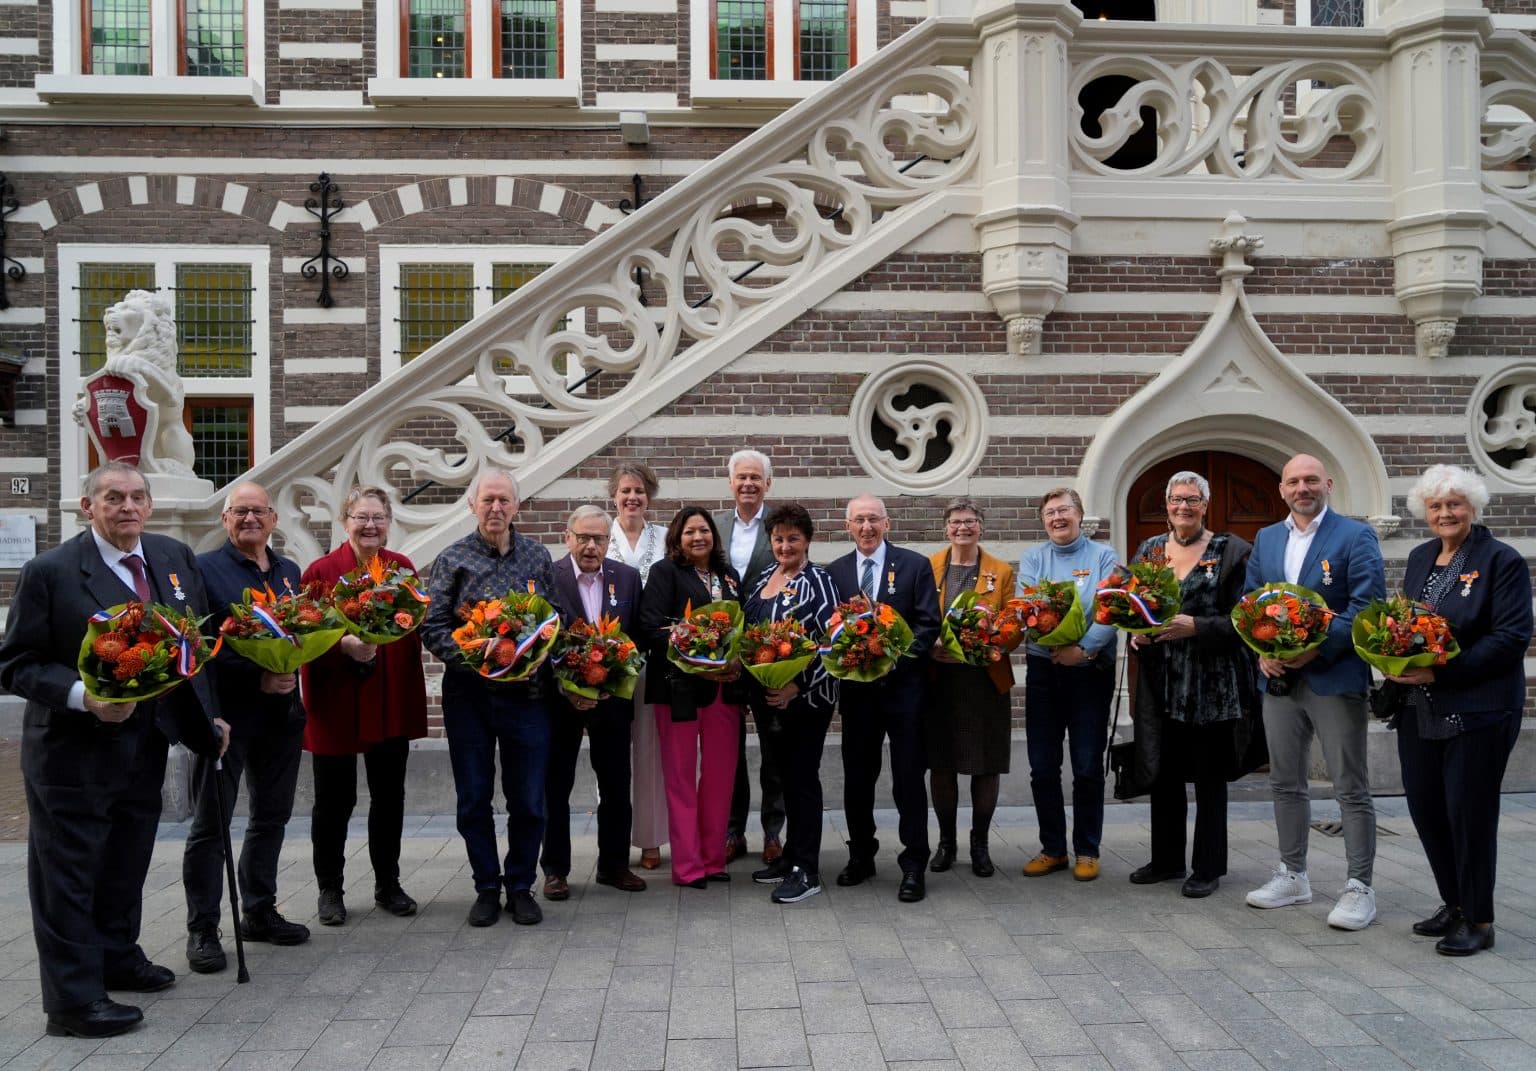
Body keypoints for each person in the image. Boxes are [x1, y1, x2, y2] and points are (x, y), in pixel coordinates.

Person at [0, 462, 222, 1039]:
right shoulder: (50, 572)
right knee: (68, 876)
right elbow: (15, 664)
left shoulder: (172, 558)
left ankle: (118, 956)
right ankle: (73, 1004)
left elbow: (189, 646)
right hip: (71, 753)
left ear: (148, 506)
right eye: (113, 497)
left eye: (136, 497)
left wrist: (208, 718)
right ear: (87, 506)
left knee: (126, 862)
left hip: (144, 746)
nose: (127, 506)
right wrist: (83, 696)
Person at [1386, 465, 1532, 956]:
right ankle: (1454, 901)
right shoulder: (1421, 556)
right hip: (1419, 707)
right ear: (1424, 513)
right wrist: (1390, 656)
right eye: (1436, 506)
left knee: (1468, 813)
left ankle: (1480, 919)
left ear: (1473, 507)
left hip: (1478, 709)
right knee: (1427, 809)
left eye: (1454, 504)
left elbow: (1511, 638)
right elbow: (1407, 624)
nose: (1445, 513)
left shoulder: (1501, 560)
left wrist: (1439, 673)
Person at [1243, 453, 1385, 930]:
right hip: (1279, 678)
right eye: (1292, 482)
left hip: (1333, 676)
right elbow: (1250, 603)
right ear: (1281, 489)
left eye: (1310, 480)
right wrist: (1259, 651)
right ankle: (1294, 875)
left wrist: (1315, 650)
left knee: (1349, 786)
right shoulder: (1266, 537)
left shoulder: (1355, 535)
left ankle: (1360, 886)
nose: (1302, 488)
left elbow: (1367, 606)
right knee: (1285, 781)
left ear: (1327, 483)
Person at [422, 469, 561, 928]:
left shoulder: (539, 558)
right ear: (472, 506)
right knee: (474, 797)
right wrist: (476, 660)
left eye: (504, 500)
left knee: (528, 798)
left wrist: (540, 655)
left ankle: (520, 886)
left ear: (517, 506)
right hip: (471, 700)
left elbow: (554, 623)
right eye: (488, 500)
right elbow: (434, 626)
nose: (496, 508)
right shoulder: (453, 558)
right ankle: (486, 886)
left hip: (528, 697)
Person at [183, 482, 310, 976]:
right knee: (210, 824)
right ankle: (204, 928)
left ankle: (258, 910)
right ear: (225, 519)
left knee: (270, 818)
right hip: (229, 719)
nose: (250, 519)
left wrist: (291, 665)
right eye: (240, 511)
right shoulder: (204, 571)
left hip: (282, 717)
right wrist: (255, 673)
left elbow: (299, 633)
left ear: (274, 519)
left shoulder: (288, 572)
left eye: (258, 511)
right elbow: (199, 647)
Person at [1125, 472, 1259, 898]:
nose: (1184, 507)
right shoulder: (1149, 550)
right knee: (1163, 773)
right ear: (1166, 505)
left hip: (1212, 685)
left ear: (1206, 504)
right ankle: (1166, 860)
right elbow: (1135, 604)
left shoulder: (1233, 551)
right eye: (1176, 499)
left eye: (1193, 500)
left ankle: (1207, 867)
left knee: (1208, 778)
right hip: (1161, 680)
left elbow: (1247, 619)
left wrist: (1198, 626)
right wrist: (1135, 630)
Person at [301, 485, 428, 927]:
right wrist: (343, 644)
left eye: (377, 517)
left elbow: (412, 624)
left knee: (389, 797)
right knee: (334, 801)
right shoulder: (320, 571)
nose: (370, 525)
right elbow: (305, 632)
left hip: (386, 695)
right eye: (361, 517)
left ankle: (387, 884)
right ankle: (329, 889)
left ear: (389, 523)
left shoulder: (402, 568)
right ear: (345, 521)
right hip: (337, 697)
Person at [827, 494, 942, 902]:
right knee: (858, 779)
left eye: (874, 519)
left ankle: (914, 864)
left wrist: (897, 658)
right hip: (857, 695)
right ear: (848, 527)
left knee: (909, 778)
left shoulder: (914, 566)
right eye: (859, 520)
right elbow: (829, 633)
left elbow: (929, 624)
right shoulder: (835, 572)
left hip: (905, 692)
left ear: (887, 523)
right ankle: (861, 855)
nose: (867, 527)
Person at [542, 505, 648, 900]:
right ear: (567, 536)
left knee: (617, 784)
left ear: (609, 541)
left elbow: (635, 641)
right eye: (583, 537)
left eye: (599, 538)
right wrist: (565, 684)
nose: (590, 546)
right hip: (559, 702)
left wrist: (612, 681)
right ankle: (555, 870)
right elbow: (539, 639)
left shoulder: (628, 578)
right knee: (556, 785)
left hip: (612, 702)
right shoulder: (547, 578)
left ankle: (614, 866)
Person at [636, 507, 745, 888]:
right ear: (677, 539)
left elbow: (743, 626)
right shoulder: (666, 573)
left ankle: (714, 859)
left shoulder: (729, 576)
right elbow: (650, 626)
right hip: (679, 690)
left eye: (704, 530)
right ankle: (687, 866)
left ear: (714, 535)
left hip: (723, 690)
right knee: (681, 778)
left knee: (719, 778)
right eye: (689, 532)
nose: (698, 537)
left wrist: (734, 659)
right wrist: (693, 646)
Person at [1016, 487, 1119, 882]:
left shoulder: (1103, 556)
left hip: (1089, 673)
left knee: (1088, 765)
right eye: (1050, 513)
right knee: (1043, 767)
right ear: (1043, 521)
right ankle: (1053, 849)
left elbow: (1111, 607)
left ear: (1080, 515)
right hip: (1045, 671)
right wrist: (1054, 644)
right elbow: (1029, 606)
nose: (1057, 518)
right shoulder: (1034, 558)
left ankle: (1087, 849)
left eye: (1064, 510)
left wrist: (1085, 649)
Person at [742, 503, 841, 903]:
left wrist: (795, 687)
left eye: (793, 538)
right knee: (781, 776)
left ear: (808, 541)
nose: (785, 545)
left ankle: (807, 869)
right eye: (779, 538)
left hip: (806, 700)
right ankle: (789, 858)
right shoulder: (765, 577)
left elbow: (831, 642)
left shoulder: (819, 581)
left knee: (802, 780)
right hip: (768, 700)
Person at [926, 498, 1016, 878]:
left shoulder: (1002, 571)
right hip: (939, 681)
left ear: (981, 526)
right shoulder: (928, 567)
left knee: (985, 766)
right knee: (942, 765)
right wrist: (930, 644)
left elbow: (1014, 625)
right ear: (946, 528)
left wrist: (985, 645)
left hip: (984, 681)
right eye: (956, 522)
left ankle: (980, 844)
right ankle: (947, 842)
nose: (963, 527)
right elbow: (915, 615)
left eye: (970, 521)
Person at [714, 449, 785, 866]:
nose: (748, 484)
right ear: (730, 483)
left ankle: (773, 831)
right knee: (729, 747)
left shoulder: (780, 525)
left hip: (768, 651)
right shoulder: (715, 526)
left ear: (768, 484)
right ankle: (732, 830)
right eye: (741, 477)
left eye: (756, 478)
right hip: (723, 656)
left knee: (774, 742)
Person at [606, 462, 668, 871]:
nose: (633, 497)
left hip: (652, 660)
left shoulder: (664, 538)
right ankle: (612, 840)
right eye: (626, 490)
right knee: (610, 752)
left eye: (640, 491)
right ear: (614, 495)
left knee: (650, 751)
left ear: (650, 496)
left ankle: (649, 839)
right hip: (607, 663)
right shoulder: (597, 534)